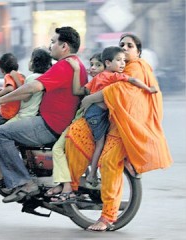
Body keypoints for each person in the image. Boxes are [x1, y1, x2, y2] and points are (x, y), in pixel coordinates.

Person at [65, 34, 173, 231]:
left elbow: (120, 90)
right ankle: (70, 186)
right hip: (113, 121)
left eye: (129, 45)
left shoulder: (138, 67)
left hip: (126, 127)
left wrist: (90, 99)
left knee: (108, 162)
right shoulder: (120, 66)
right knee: (75, 134)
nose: (124, 48)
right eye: (121, 45)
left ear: (138, 51)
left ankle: (107, 217)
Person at [0, 26, 87, 203]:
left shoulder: (64, 66)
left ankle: (23, 182)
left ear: (64, 46)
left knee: (0, 133)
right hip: (57, 122)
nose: (51, 46)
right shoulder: (75, 64)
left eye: (53, 42)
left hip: (50, 125)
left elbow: (33, 87)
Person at [67, 46, 158, 190]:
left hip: (92, 113)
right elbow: (132, 80)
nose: (122, 64)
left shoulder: (98, 77)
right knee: (100, 144)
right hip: (97, 114)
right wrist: (148, 89)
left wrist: (78, 72)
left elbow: (79, 91)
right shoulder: (113, 76)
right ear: (108, 63)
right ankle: (92, 175)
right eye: (119, 60)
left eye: (123, 60)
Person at [0, 47, 52, 193]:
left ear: (34, 62)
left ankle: (5, 179)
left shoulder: (32, 78)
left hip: (24, 116)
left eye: (30, 59)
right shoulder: (41, 76)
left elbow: (24, 94)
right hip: (30, 116)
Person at [45, 53, 105, 199]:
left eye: (98, 65)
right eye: (92, 64)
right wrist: (77, 70)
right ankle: (62, 184)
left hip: (84, 126)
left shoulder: (105, 83)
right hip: (79, 122)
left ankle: (67, 186)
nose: (93, 68)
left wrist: (89, 100)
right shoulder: (94, 83)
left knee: (59, 149)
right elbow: (77, 91)